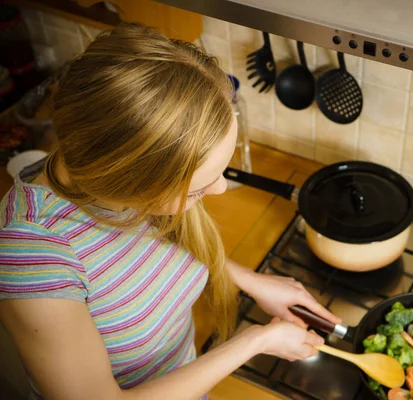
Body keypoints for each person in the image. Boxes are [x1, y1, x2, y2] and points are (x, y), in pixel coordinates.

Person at [0, 23, 340, 400]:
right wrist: (255, 341)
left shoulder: (100, 164)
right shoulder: (34, 255)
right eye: (198, 188)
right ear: (129, 179)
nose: (221, 189)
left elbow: (147, 253)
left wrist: (246, 279)